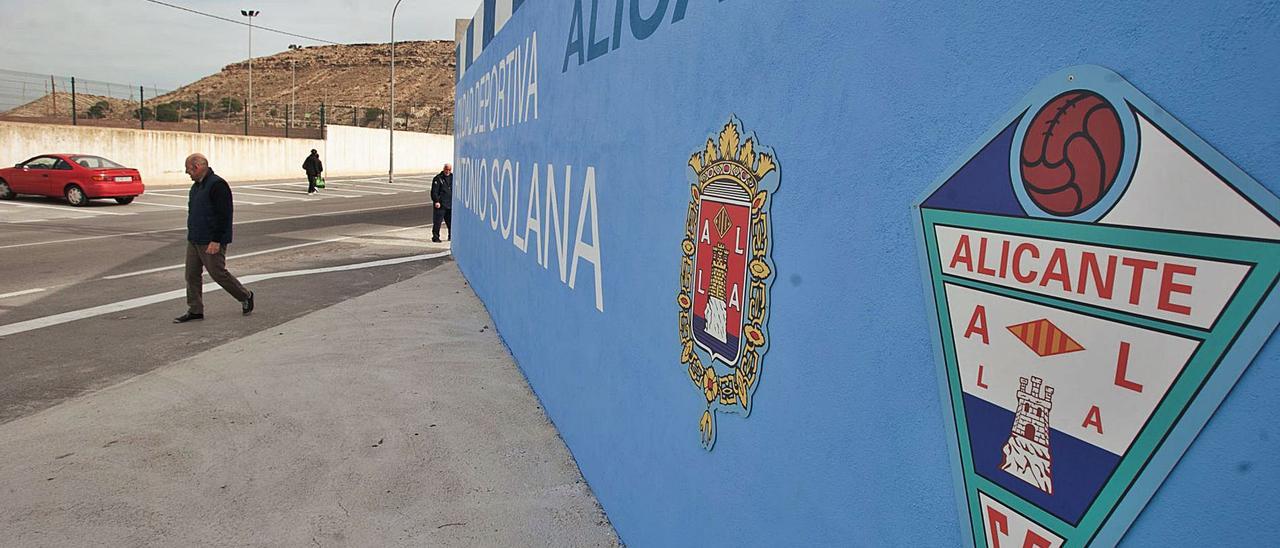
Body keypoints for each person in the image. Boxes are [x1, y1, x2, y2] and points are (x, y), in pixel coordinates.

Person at [174, 153, 255, 323]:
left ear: (197, 167)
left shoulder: (217, 185)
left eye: (188, 169)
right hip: (195, 238)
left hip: (210, 240)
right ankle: (195, 309)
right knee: (191, 275)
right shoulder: (196, 186)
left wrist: (216, 240)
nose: (187, 173)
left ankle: (245, 295)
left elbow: (224, 215)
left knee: (218, 273)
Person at [431, 163, 453, 243]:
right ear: (444, 169)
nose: (448, 171)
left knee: (450, 222)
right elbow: (434, 191)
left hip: (449, 204)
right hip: (440, 204)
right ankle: (435, 237)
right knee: (437, 222)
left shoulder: (452, 177)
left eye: (449, 170)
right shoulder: (438, 178)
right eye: (446, 169)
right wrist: (436, 201)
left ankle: (451, 236)